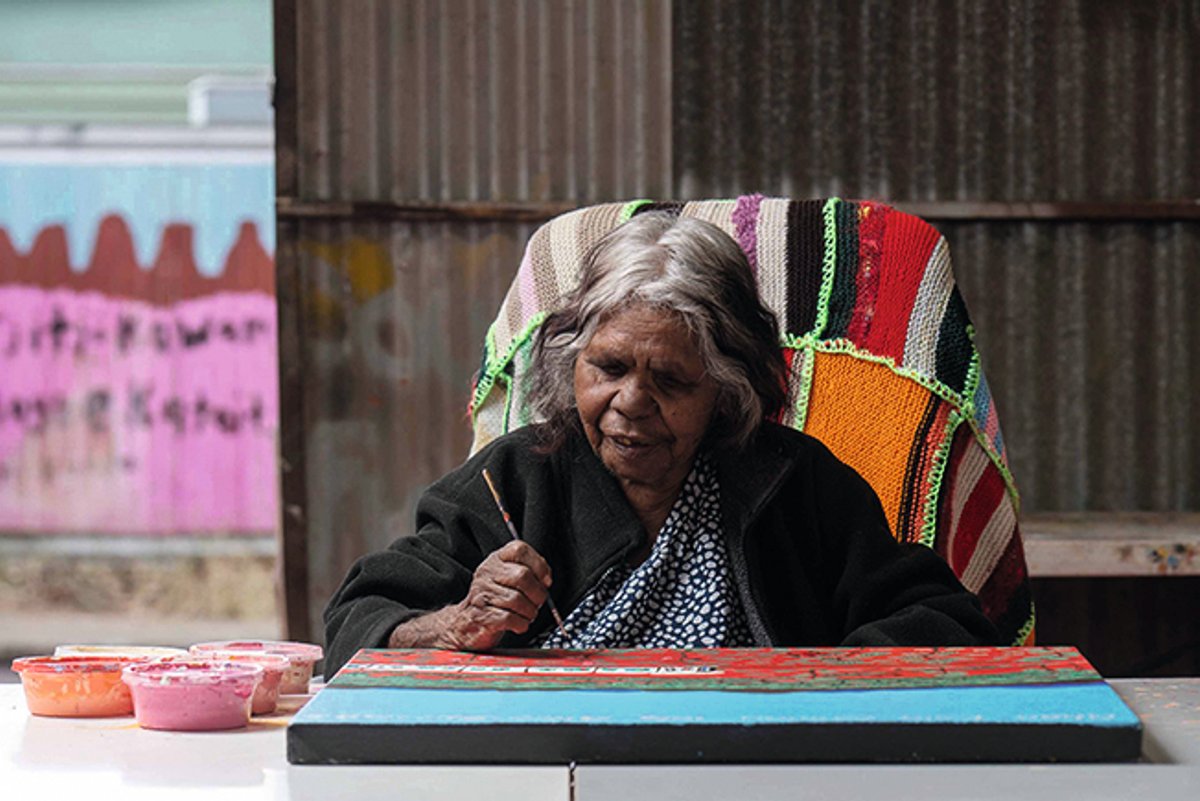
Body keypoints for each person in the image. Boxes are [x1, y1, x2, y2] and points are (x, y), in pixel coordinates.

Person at [323, 213, 999, 676]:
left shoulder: (793, 484)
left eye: (671, 380)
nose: (631, 402)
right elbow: (357, 617)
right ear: (573, 360)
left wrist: (816, 683)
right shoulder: (516, 480)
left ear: (727, 389)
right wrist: (452, 624)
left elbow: (944, 620)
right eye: (609, 367)